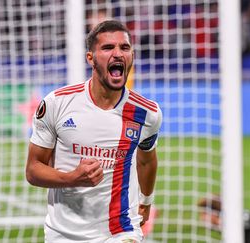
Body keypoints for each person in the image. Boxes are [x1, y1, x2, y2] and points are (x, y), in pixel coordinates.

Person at [26, 20, 162, 243]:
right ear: (90, 58)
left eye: (124, 48)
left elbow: (147, 161)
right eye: (108, 48)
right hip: (64, 233)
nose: (118, 54)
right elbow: (33, 170)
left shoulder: (147, 113)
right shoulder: (56, 103)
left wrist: (146, 201)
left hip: (121, 230)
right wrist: (72, 178)